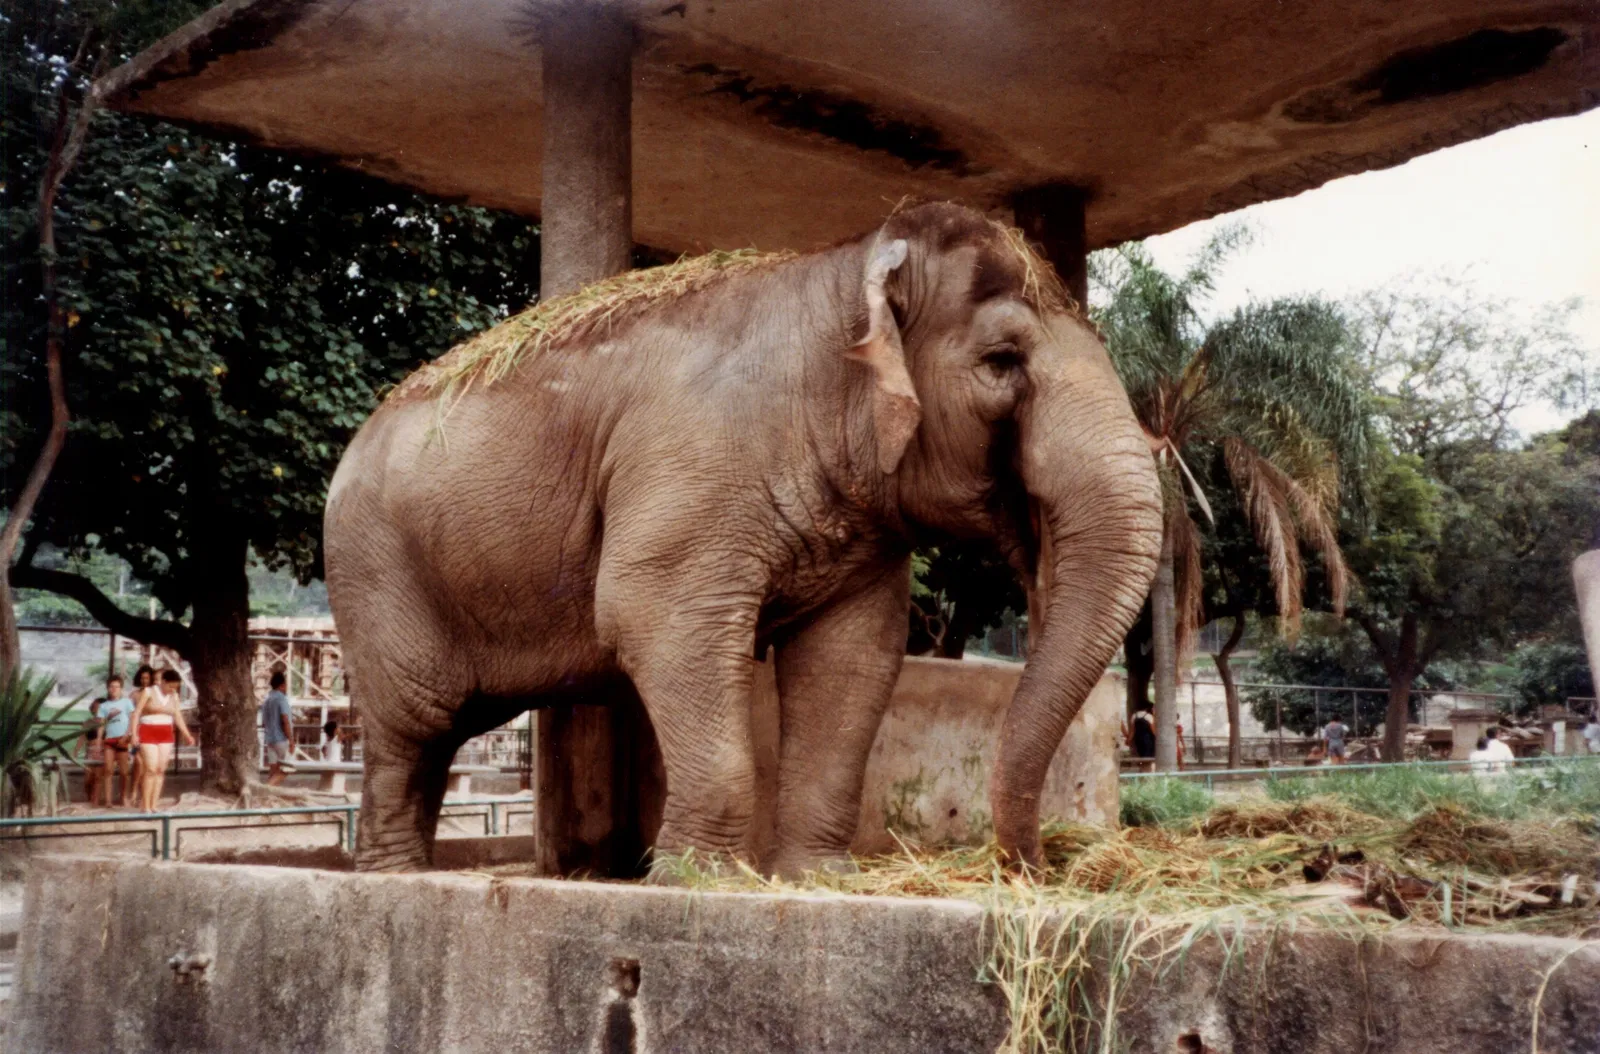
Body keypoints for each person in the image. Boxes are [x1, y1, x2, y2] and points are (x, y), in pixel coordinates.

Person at [129, 669, 195, 812]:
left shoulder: (174, 696)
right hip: (148, 731)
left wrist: (187, 734)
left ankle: (154, 805)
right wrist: (134, 734)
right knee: (151, 768)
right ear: (163, 682)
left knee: (160, 770)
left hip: (165, 733)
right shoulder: (148, 692)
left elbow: (177, 716)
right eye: (170, 686)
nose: (172, 689)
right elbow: (136, 713)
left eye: (175, 687)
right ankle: (145, 806)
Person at [100, 672, 140, 808]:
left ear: (121, 688)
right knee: (108, 770)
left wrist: (127, 735)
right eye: (111, 687)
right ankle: (108, 800)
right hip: (109, 740)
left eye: (117, 687)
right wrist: (100, 740)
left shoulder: (126, 702)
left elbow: (132, 719)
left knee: (124, 772)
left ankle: (124, 797)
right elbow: (101, 724)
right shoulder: (104, 706)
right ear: (108, 688)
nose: (114, 689)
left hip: (123, 740)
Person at [261, 671, 295, 785]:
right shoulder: (281, 699)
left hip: (270, 739)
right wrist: (291, 741)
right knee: (288, 768)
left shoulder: (266, 701)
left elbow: (263, 722)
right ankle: (266, 789)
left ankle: (268, 796)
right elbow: (285, 720)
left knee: (273, 770)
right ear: (282, 685)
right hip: (281, 739)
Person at [74, 699, 104, 805]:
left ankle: (95, 801)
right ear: (92, 709)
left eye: (100, 707)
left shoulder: (107, 722)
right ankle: (89, 796)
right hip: (90, 751)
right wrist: (76, 751)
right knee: (88, 778)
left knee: (98, 777)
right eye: (96, 707)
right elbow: (81, 738)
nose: (98, 709)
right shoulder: (88, 722)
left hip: (102, 751)